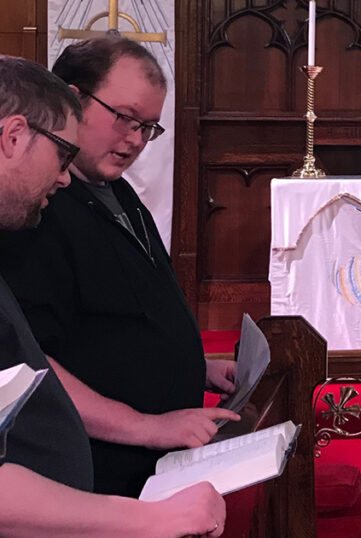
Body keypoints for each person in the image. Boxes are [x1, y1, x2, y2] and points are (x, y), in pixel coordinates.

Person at [0, 37, 239, 498]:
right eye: (124, 117)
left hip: (143, 472)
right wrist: (145, 426)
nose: (134, 138)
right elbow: (31, 364)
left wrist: (194, 364)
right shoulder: (33, 212)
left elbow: (125, 315)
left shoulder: (118, 192)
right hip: (98, 473)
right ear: (74, 99)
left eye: (148, 127)